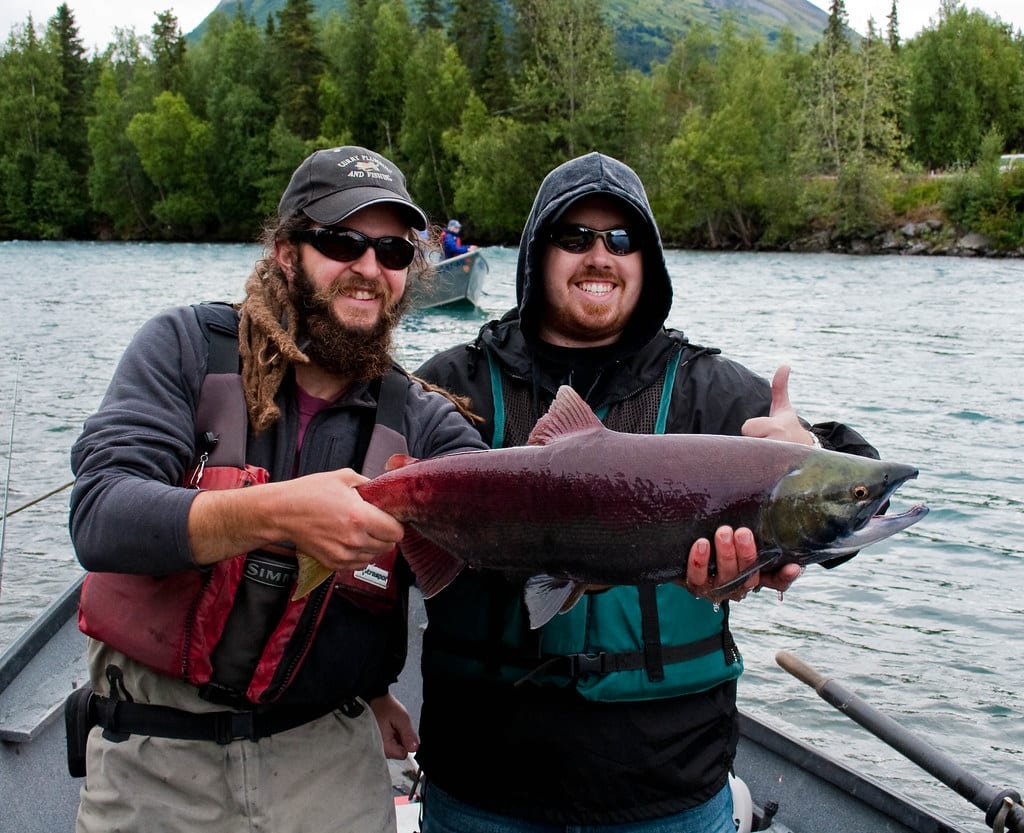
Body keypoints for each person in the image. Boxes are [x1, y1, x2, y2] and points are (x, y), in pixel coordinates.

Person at [414, 152, 879, 831]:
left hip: (669, 792)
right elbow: (362, 518)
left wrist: (802, 447)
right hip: (482, 791)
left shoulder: (710, 391)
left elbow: (856, 485)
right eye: (575, 237)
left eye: (622, 240)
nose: (599, 255)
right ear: (536, 256)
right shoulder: (451, 385)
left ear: (647, 261)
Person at [67, 145, 486, 833]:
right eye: (342, 240)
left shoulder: (422, 418)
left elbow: (502, 542)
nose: (369, 268)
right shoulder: (182, 348)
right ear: (287, 252)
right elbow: (101, 514)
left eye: (392, 250)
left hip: (329, 765)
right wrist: (279, 513)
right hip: (153, 762)